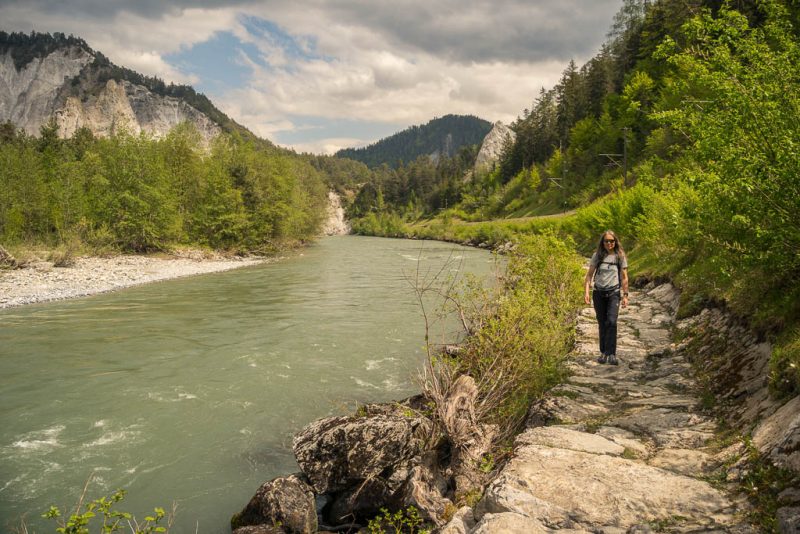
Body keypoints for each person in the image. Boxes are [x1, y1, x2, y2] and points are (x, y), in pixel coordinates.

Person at [583, 230, 629, 365]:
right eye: (606, 241)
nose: (609, 243)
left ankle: (611, 354)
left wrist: (625, 295)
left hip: (614, 293)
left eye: (612, 241)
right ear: (602, 243)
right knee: (602, 323)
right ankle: (603, 353)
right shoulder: (597, 256)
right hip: (598, 293)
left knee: (612, 322)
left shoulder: (620, 256)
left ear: (615, 242)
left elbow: (624, 277)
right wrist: (586, 292)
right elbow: (589, 275)